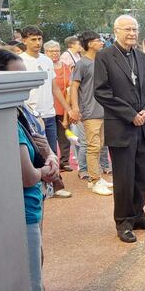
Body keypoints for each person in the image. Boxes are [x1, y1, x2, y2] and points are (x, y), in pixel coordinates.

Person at [0, 48, 59, 291]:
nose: (24, 85)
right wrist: (46, 170)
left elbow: (42, 145)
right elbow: (27, 175)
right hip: (22, 211)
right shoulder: (7, 118)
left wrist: (49, 157)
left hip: (31, 207)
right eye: (15, 78)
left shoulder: (20, 111)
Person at [94, 14, 145, 243]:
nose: (132, 33)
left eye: (134, 29)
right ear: (116, 31)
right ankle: (123, 221)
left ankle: (138, 215)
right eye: (127, 29)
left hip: (142, 126)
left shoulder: (142, 57)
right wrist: (130, 114)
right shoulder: (104, 56)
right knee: (124, 177)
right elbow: (102, 92)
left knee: (142, 176)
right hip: (121, 127)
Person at [20, 26, 73, 198]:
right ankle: (40, 187)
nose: (36, 42)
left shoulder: (47, 61)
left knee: (52, 152)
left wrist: (68, 108)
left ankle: (55, 185)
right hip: (30, 115)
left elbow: (54, 88)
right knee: (34, 152)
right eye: (33, 39)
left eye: (39, 39)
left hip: (49, 114)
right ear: (24, 40)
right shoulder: (20, 61)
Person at [70, 31, 113, 196]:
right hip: (90, 111)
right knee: (93, 146)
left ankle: (97, 178)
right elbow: (74, 87)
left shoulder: (102, 61)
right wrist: (75, 108)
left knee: (100, 145)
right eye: (97, 40)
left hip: (104, 110)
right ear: (88, 43)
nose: (101, 42)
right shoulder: (82, 64)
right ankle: (94, 180)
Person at [44, 40, 75, 171]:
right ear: (45, 52)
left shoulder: (66, 66)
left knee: (64, 135)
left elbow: (72, 85)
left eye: (57, 51)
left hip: (63, 106)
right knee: (49, 137)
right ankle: (52, 161)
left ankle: (64, 161)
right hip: (48, 106)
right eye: (51, 51)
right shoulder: (43, 66)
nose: (54, 53)